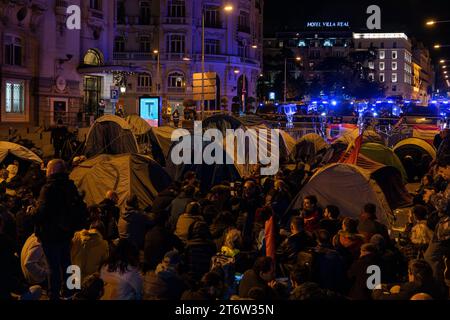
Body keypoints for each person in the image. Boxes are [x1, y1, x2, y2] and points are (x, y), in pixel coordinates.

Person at [33, 159, 88, 300]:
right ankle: (70, 290)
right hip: (66, 232)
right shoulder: (70, 186)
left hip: (50, 234)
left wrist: (30, 212)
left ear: (51, 170)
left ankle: (54, 295)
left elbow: (41, 212)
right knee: (66, 262)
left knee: (53, 266)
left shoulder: (48, 188)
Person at [373, 259, 447, 300]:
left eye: (409, 273)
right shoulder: (436, 285)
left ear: (412, 274)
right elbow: (403, 284)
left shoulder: (410, 290)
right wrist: (388, 285)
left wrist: (377, 289)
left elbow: (382, 298)